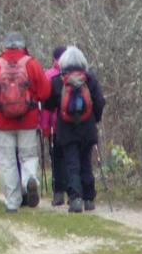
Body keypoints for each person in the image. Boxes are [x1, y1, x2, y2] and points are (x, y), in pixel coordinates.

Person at [0, 32, 51, 213]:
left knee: (7, 162)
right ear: (22, 46)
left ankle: (12, 202)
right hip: (27, 120)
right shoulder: (31, 64)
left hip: (3, 122)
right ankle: (29, 181)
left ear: (4, 46)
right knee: (28, 156)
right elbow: (45, 92)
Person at [43, 45, 106, 212]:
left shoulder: (58, 80)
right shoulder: (90, 79)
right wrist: (96, 118)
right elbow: (100, 101)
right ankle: (89, 199)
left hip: (67, 130)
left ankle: (75, 198)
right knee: (86, 162)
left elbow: (48, 104)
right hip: (87, 129)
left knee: (72, 164)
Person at [40, 45, 68, 205]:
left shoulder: (49, 76)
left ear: (54, 60)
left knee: (57, 157)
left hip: (55, 125)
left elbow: (45, 106)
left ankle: (58, 192)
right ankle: (73, 190)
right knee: (72, 156)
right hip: (76, 123)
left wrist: (44, 127)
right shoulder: (78, 74)